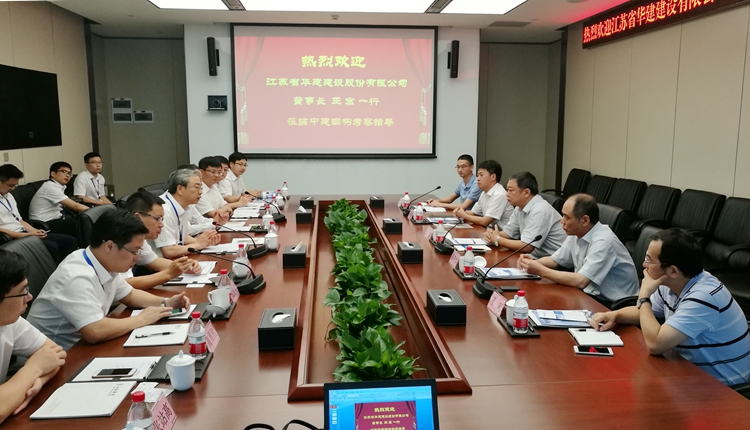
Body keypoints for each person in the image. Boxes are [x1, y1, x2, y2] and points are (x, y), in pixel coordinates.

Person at [589, 228, 750, 386]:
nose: (644, 264)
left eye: (649, 260)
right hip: (689, 372)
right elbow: (645, 313)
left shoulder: (704, 297)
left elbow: (655, 345)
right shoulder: (673, 282)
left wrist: (644, 296)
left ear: (672, 271)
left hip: (723, 388)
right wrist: (615, 315)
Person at [26, 210, 191, 351]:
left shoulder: (101, 262)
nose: (137, 258)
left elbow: (130, 295)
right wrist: (142, 319)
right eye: (134, 251)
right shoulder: (76, 276)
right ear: (110, 246)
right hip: (58, 357)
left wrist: (165, 303)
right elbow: (95, 331)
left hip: (81, 348)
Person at [517, 194, 639, 304]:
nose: (562, 221)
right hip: (589, 296)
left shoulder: (604, 241)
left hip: (613, 304)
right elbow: (555, 261)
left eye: (567, 217)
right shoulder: (576, 233)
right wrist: (531, 262)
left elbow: (581, 281)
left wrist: (540, 270)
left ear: (585, 220)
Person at [0, 250, 66, 424]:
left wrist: (37, 381)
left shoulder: (9, 320)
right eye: (22, 292)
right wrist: (33, 369)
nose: (29, 297)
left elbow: (55, 354)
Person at [122, 190, 201, 290]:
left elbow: (154, 261)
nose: (161, 224)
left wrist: (185, 265)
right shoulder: (118, 239)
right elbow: (124, 285)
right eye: (157, 218)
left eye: (162, 219)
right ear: (138, 217)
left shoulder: (138, 237)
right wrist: (168, 274)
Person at [0, 164, 77, 263]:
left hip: (24, 232)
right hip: (10, 238)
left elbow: (19, 220)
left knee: (69, 241)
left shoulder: (9, 196)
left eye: (15, 185)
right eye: (11, 185)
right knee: (52, 247)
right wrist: (27, 235)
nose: (13, 188)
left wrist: (35, 231)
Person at [484, 171, 566, 258]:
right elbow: (509, 233)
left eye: (510, 190)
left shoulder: (540, 210)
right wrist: (492, 235)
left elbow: (527, 246)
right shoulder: (519, 207)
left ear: (526, 192)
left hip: (554, 261)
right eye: (507, 190)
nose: (507, 194)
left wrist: (497, 239)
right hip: (534, 257)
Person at [154, 168, 220, 258]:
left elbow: (183, 237)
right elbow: (169, 251)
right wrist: (198, 245)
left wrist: (205, 242)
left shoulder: (183, 205)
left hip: (176, 258)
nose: (201, 192)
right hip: (160, 263)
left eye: (201, 188)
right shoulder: (164, 210)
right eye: (197, 187)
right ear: (180, 189)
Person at [28, 161, 89, 238]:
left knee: (82, 220)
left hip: (55, 219)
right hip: (44, 224)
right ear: (53, 174)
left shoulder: (59, 186)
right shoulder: (50, 187)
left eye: (69, 173)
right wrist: (95, 212)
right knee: (83, 221)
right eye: (64, 172)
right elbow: (76, 206)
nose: (67, 175)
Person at [453, 159, 513, 228]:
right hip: (489, 231)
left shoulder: (499, 194)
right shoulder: (484, 192)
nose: (478, 179)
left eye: (481, 175)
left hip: (501, 233)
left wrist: (464, 215)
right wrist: (459, 213)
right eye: (478, 175)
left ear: (493, 177)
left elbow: (485, 221)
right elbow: (474, 213)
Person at [195, 157, 250, 222]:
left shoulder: (214, 187)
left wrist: (225, 209)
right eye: (213, 172)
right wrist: (225, 209)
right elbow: (213, 214)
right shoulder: (198, 191)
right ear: (201, 172)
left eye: (219, 172)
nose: (217, 175)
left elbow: (227, 207)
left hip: (220, 223)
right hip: (208, 225)